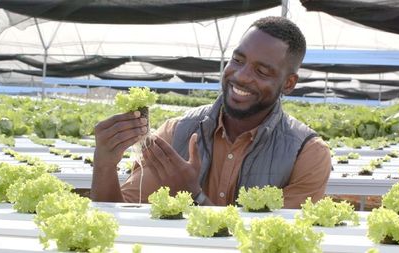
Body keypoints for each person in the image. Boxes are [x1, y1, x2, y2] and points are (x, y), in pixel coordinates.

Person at [91, 16, 331, 208]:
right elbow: (118, 216)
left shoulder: (307, 153)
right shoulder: (175, 133)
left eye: (262, 71)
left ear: (288, 83)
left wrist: (194, 196)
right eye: (237, 60)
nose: (241, 76)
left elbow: (280, 241)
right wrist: (104, 164)